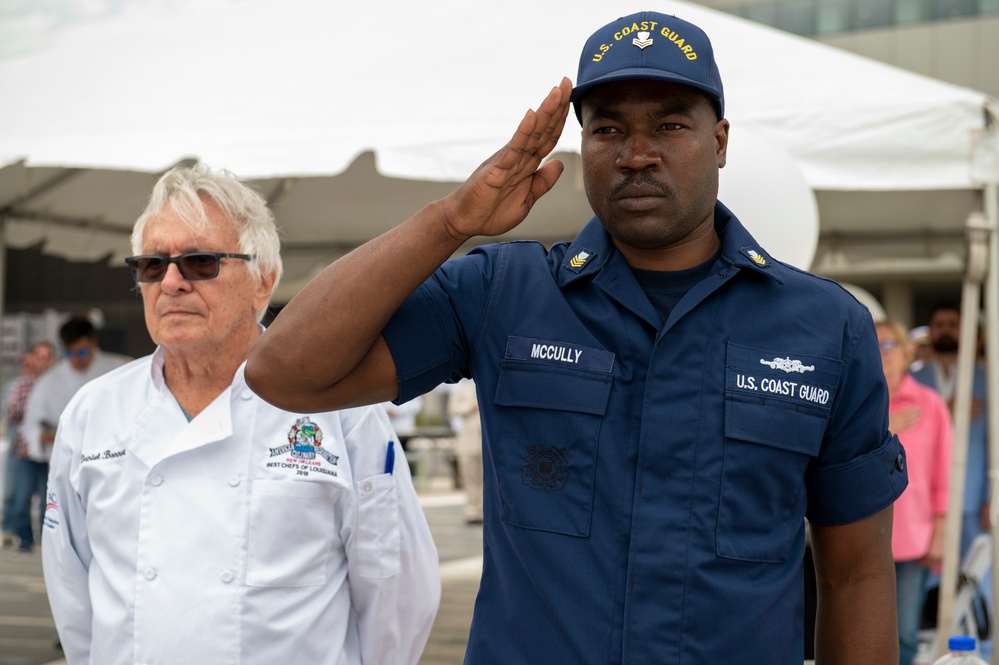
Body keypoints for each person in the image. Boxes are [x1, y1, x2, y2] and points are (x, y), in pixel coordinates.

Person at [246, 11, 907, 664]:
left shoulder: (824, 326)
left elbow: (854, 576)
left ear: (721, 141)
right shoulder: (504, 293)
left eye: (670, 124)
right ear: (581, 144)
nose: (636, 153)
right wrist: (450, 221)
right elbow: (284, 372)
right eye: (607, 128)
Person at [41, 165, 440, 665]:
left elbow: (397, 592)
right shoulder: (93, 413)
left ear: (262, 282)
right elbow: (71, 592)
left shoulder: (339, 410)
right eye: (151, 264)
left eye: (199, 262)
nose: (170, 282)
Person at [910, 303, 992, 655]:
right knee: (925, 577)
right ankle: (923, 647)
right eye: (939, 324)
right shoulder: (914, 379)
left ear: (967, 332)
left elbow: (994, 441)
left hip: (974, 497)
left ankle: (984, 650)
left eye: (953, 324)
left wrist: (992, 493)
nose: (946, 330)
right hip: (925, 500)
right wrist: (951, 406)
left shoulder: (987, 377)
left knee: (981, 574)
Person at [14, 318, 126, 554]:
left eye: (83, 351)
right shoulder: (49, 381)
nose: (77, 359)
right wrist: (46, 436)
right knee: (60, 517)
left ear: (94, 344)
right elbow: (31, 426)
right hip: (65, 460)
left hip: (113, 460)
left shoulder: (119, 369)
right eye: (70, 353)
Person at [877, 320, 952, 665]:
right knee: (863, 628)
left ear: (907, 353)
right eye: (874, 344)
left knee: (905, 633)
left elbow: (945, 471)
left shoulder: (930, 403)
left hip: (912, 537)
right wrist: (886, 430)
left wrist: (940, 532)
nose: (882, 353)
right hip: (863, 533)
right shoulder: (857, 404)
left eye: (890, 345)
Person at [1, 342, 54, 549]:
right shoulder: (23, 384)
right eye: (39, 356)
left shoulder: (58, 384)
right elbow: (10, 410)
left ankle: (47, 541)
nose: (43, 361)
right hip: (26, 451)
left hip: (51, 452)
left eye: (47, 356)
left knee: (49, 500)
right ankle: (24, 539)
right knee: (21, 497)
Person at [447, 379, 483, 524]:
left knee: (486, 478)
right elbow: (452, 408)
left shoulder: (490, 382)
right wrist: (470, 406)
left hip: (486, 440)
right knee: (469, 477)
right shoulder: (463, 387)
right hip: (468, 440)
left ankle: (483, 510)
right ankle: (473, 511)